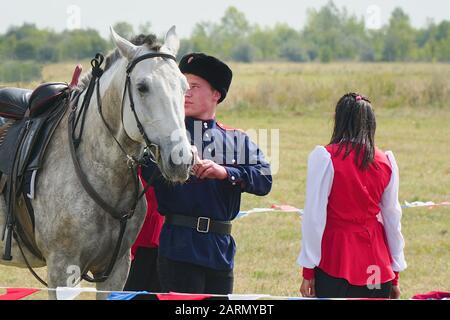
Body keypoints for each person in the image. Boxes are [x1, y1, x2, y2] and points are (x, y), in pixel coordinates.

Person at [141, 53, 272, 295]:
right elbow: (147, 170)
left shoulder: (236, 138)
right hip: (178, 248)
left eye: (195, 87)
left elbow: (264, 179)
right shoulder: (164, 136)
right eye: (183, 86)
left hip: (220, 250)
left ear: (216, 95)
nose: (186, 93)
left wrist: (225, 173)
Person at [297, 92, 407, 299]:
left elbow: (314, 218)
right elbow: (393, 218)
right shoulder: (386, 161)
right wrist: (395, 272)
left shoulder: (326, 157)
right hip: (377, 265)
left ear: (339, 120)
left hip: (335, 261)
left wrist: (308, 270)